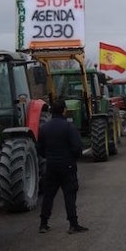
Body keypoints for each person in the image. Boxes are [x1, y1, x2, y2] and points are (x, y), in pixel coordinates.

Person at [36, 99, 88, 234]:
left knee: (49, 195)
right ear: (64, 110)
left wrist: (49, 157)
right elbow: (77, 147)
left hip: (51, 166)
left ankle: (43, 224)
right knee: (69, 195)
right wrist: (72, 159)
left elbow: (39, 149)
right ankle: (73, 224)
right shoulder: (69, 127)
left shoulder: (44, 128)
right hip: (67, 166)